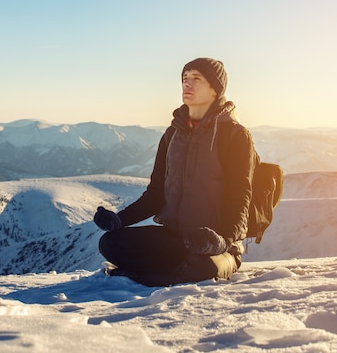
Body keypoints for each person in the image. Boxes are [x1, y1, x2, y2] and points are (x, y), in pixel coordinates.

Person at [93, 57, 258, 287]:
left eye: (196, 79)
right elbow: (156, 194)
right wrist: (119, 220)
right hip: (175, 239)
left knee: (204, 268)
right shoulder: (172, 136)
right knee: (109, 243)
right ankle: (167, 273)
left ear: (215, 90)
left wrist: (223, 241)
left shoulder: (235, 136)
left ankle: (152, 276)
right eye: (184, 79)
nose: (187, 84)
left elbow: (240, 198)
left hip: (216, 245)